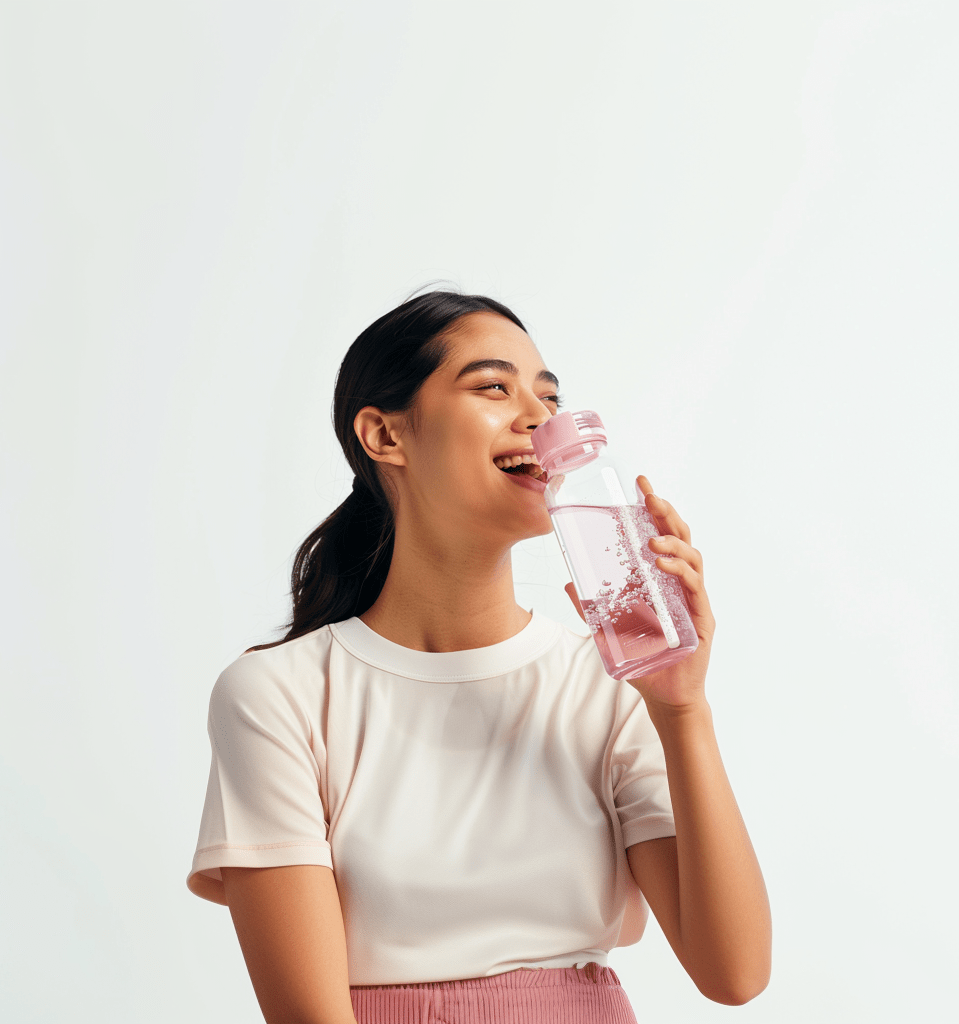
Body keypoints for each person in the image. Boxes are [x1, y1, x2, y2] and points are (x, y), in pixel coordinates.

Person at [187, 290, 772, 1024]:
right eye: (495, 387)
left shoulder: (608, 685)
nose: (540, 416)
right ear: (384, 435)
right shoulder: (281, 694)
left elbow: (735, 973)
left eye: (549, 394)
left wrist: (683, 710)